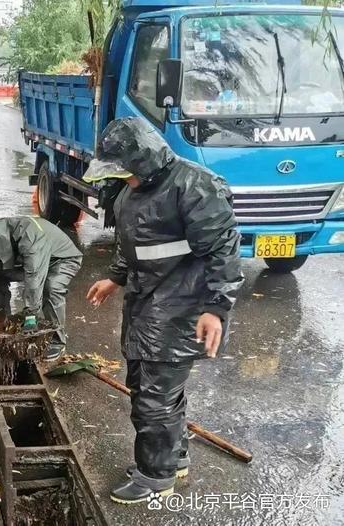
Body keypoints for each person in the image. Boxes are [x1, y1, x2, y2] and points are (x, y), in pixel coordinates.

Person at [86, 118, 244, 504]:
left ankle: (156, 476)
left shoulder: (193, 186)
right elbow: (131, 242)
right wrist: (116, 278)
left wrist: (215, 308)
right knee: (150, 387)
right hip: (146, 302)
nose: (125, 179)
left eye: (127, 172)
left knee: (154, 398)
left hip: (181, 307)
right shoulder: (130, 193)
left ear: (144, 161)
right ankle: (174, 458)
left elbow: (223, 248)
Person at [0, 216, 82, 361]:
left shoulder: (30, 235)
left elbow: (34, 277)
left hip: (60, 259)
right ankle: (2, 331)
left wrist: (31, 316)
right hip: (26, 262)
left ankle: (57, 341)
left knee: (50, 288)